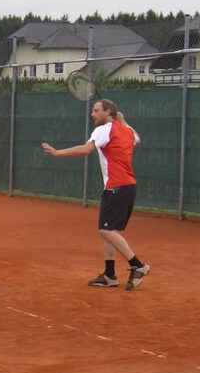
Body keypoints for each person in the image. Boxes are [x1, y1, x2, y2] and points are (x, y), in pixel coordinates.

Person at [41, 99, 151, 290]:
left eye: (96, 110)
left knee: (105, 230)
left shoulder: (103, 130)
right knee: (105, 231)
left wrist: (58, 153)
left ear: (108, 112)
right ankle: (110, 275)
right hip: (126, 186)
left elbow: (86, 149)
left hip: (117, 186)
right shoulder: (126, 130)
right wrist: (123, 121)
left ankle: (137, 265)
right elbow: (136, 138)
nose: (92, 114)